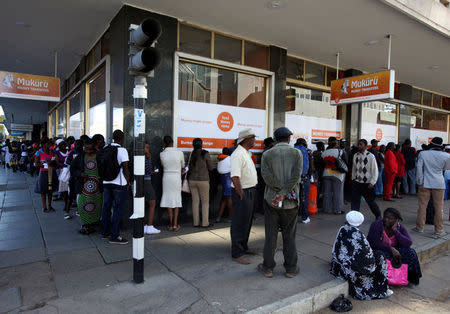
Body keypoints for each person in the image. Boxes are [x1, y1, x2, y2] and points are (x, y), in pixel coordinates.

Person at [258, 127, 302, 278]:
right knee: (289, 236)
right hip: (291, 201)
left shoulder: (267, 154)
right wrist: (284, 193)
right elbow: (296, 175)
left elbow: (266, 176)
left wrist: (278, 192)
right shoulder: (296, 153)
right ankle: (291, 269)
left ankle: (268, 268)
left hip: (271, 200)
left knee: (271, 236)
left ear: (276, 138)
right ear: (289, 138)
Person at [331, 211, 392, 300]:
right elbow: (368, 259)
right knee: (380, 256)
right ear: (360, 223)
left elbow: (335, 249)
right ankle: (382, 288)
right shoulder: (359, 235)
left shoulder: (342, 229)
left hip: (340, 267)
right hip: (352, 271)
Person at [367, 208, 422, 285]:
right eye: (385, 217)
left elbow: (408, 242)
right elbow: (375, 243)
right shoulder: (376, 225)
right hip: (378, 249)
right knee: (382, 256)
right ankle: (385, 281)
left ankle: (410, 278)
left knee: (411, 252)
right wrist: (390, 248)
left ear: (396, 220)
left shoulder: (400, 227)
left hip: (393, 250)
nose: (386, 220)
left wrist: (395, 231)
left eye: (390, 219)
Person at [230, 128, 258, 264]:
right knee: (239, 223)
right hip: (243, 192)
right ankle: (237, 253)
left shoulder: (246, 153)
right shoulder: (238, 154)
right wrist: (240, 194)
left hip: (250, 190)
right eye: (252, 138)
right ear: (246, 140)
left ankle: (244, 247)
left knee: (247, 222)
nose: (254, 140)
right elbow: (235, 177)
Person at [415, 137, 450, 238]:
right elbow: (447, 168)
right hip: (439, 183)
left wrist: (419, 181)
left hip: (425, 182)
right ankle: (438, 230)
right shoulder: (446, 156)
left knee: (422, 206)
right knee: (439, 207)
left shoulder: (423, 154)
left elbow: (419, 169)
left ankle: (420, 227)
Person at [100, 130, 131, 244]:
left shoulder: (105, 149)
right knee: (118, 209)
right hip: (119, 183)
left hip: (106, 182)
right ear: (122, 138)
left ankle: (105, 233)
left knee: (106, 207)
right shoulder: (122, 150)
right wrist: (128, 181)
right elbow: (125, 168)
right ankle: (114, 236)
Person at [71, 138, 103, 234]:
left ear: (94, 148)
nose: (88, 151)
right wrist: (80, 174)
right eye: (86, 149)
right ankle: (85, 224)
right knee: (82, 205)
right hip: (83, 187)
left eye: (90, 149)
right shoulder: (80, 157)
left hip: (97, 187)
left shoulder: (99, 156)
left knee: (97, 205)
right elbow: (72, 169)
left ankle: (95, 224)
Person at [159, 135, 185, 232]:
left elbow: (162, 165)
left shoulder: (162, 154)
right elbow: (183, 165)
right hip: (176, 177)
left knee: (168, 200)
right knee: (177, 200)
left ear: (164, 143)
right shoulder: (180, 153)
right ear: (173, 142)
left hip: (166, 177)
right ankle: (175, 224)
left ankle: (170, 224)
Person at [351, 139, 381, 220]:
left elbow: (375, 170)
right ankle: (354, 218)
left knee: (370, 201)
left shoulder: (370, 156)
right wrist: (353, 179)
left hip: (367, 183)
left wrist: (372, 182)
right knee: (355, 201)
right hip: (357, 182)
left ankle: (378, 215)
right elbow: (354, 168)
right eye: (358, 144)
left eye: (361, 144)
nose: (359, 146)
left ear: (365, 146)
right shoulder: (355, 155)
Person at [188, 138, 213, 227]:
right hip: (203, 180)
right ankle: (205, 223)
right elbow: (210, 167)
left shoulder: (192, 153)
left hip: (192, 180)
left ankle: (196, 223)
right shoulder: (205, 153)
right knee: (205, 203)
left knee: (195, 202)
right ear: (201, 144)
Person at [34, 138, 59, 213]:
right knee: (43, 190)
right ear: (44, 144)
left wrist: (53, 162)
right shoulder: (39, 152)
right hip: (43, 173)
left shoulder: (52, 152)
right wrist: (42, 165)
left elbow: (56, 161)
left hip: (52, 172)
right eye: (48, 143)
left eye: (50, 143)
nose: (49, 144)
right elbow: (36, 163)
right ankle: (44, 206)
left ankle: (50, 205)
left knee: (50, 190)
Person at [321, 137, 345, 214]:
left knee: (326, 193)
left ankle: (326, 209)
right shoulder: (340, 151)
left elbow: (322, 164)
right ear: (336, 143)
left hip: (326, 173)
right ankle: (337, 210)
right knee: (337, 193)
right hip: (337, 175)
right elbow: (346, 162)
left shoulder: (324, 152)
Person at [143, 143, 160, 235]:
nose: (148, 149)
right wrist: (149, 159)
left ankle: (144, 225)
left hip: (140, 182)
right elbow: (148, 170)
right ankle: (149, 225)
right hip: (146, 182)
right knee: (152, 203)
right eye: (147, 147)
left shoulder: (134, 156)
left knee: (142, 204)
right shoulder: (145, 157)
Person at [295, 138, 311, 224]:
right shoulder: (308, 151)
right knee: (304, 197)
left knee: (294, 197)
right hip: (305, 177)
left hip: (294, 178)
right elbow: (311, 165)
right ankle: (305, 217)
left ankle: (293, 216)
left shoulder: (293, 150)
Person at [55, 140, 71, 219]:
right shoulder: (57, 153)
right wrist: (66, 165)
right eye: (61, 145)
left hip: (70, 171)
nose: (64, 146)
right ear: (59, 146)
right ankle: (66, 204)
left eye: (64, 144)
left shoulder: (69, 151)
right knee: (64, 189)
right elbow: (57, 162)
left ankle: (68, 203)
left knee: (70, 189)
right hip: (63, 171)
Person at [216, 147, 232, 223]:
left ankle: (218, 217)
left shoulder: (220, 159)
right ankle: (230, 218)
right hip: (228, 178)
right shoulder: (230, 158)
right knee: (229, 198)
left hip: (222, 178)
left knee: (225, 198)